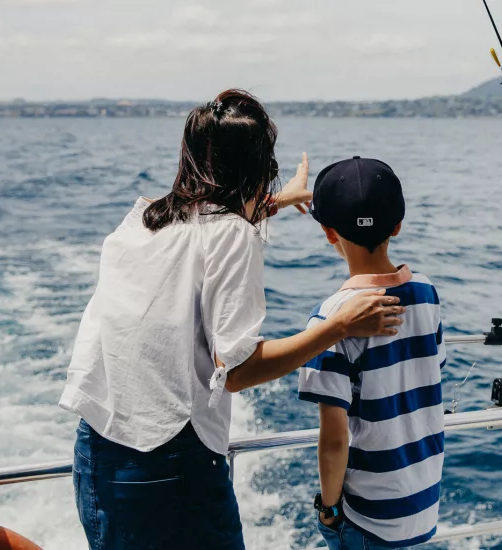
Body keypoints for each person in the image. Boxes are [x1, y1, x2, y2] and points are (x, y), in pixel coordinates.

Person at [59, 90, 405, 550]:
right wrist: (339, 326)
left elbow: (205, 223)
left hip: (96, 454)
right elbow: (238, 370)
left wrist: (276, 201)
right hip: (169, 468)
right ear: (258, 165)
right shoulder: (234, 237)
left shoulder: (142, 217)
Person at [298, 157, 446, 549]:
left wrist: (328, 509)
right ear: (397, 226)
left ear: (329, 233)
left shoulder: (331, 319)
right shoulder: (427, 294)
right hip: (422, 500)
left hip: (369, 515)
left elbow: (333, 440)